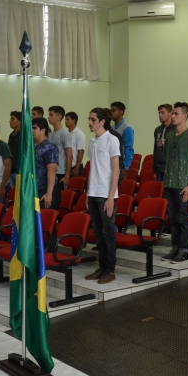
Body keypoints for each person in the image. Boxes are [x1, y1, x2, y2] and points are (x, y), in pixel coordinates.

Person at [161, 102, 188, 264]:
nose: (173, 116)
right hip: (169, 183)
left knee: (182, 218)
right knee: (172, 218)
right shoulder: (169, 136)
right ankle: (175, 248)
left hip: (183, 185)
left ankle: (184, 251)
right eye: (173, 113)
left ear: (185, 116)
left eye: (176, 113)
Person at [84, 108, 121, 284]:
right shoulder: (92, 142)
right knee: (98, 233)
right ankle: (102, 267)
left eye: (93, 119)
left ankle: (110, 270)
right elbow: (93, 169)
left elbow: (116, 170)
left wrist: (110, 198)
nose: (90, 122)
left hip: (106, 194)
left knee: (108, 233)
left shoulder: (112, 140)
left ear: (102, 121)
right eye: (89, 119)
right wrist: (88, 192)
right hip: (93, 193)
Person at [32, 118, 60, 210]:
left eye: (34, 128)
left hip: (46, 189)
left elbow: (52, 170)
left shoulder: (49, 146)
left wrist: (49, 194)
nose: (31, 130)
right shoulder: (32, 146)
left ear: (43, 130)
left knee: (45, 220)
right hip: (35, 189)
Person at [48, 106, 73, 190]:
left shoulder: (64, 133)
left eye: (51, 115)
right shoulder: (50, 134)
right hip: (52, 171)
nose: (49, 117)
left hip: (61, 172)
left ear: (59, 117)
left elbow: (69, 155)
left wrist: (67, 176)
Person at [111, 102, 135, 179]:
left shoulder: (127, 129)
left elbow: (128, 149)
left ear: (121, 112)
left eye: (113, 111)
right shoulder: (111, 128)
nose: (111, 113)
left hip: (121, 165)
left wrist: (126, 167)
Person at [153, 104, 176, 180]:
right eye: (159, 113)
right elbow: (155, 149)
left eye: (163, 113)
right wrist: (155, 170)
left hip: (170, 167)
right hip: (159, 167)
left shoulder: (175, 130)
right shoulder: (157, 130)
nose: (160, 115)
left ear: (170, 114)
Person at [66, 111, 86, 177]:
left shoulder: (79, 134)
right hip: (68, 165)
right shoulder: (66, 134)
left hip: (75, 166)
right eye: (65, 119)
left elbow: (81, 152)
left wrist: (76, 169)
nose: (65, 121)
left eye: (67, 119)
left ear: (74, 120)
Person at [8, 111, 21, 188]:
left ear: (19, 121)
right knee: (12, 195)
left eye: (13, 119)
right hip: (11, 169)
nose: (10, 121)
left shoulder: (23, 135)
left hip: (19, 171)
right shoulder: (11, 135)